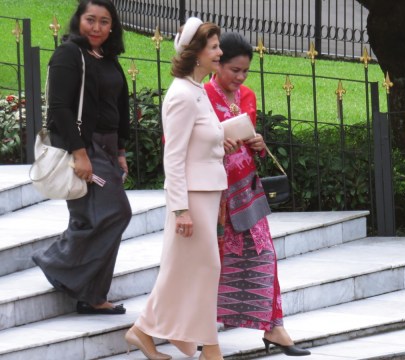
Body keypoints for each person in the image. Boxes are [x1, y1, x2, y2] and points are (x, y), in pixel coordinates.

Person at [204, 32, 311, 357]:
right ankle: (202, 328)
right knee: (211, 264)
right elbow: (183, 143)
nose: (240, 78)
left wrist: (259, 146)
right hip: (213, 194)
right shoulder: (202, 95)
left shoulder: (246, 96)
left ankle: (274, 326)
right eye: (234, 70)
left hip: (246, 190)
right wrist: (214, 143)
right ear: (217, 62)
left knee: (265, 255)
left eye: (245, 71)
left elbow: (249, 140)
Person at [126, 17, 227, 360]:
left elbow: (200, 142)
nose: (220, 52)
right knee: (206, 269)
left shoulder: (197, 91)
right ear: (196, 53)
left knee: (183, 271)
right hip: (192, 200)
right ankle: (210, 351)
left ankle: (142, 330)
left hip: (206, 195)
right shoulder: (182, 95)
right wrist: (180, 208)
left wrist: (222, 142)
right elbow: (174, 156)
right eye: (214, 47)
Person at [31, 0, 132, 315]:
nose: (97, 27)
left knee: (95, 216)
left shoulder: (107, 58)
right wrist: (79, 154)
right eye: (91, 20)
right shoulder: (68, 55)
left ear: (112, 26)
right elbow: (59, 107)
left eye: (104, 21)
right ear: (79, 20)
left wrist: (120, 151)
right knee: (115, 212)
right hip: (85, 149)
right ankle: (56, 263)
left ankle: (92, 296)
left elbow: (119, 107)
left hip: (107, 148)